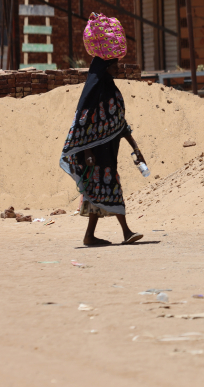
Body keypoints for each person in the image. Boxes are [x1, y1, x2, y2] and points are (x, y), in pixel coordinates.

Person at [60, 14, 144, 246]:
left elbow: (119, 123)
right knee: (108, 186)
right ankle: (126, 231)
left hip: (109, 150)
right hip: (95, 154)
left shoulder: (109, 89)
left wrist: (135, 148)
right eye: (114, 64)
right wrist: (86, 151)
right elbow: (83, 123)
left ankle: (90, 236)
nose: (118, 67)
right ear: (106, 66)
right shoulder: (93, 93)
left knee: (98, 191)